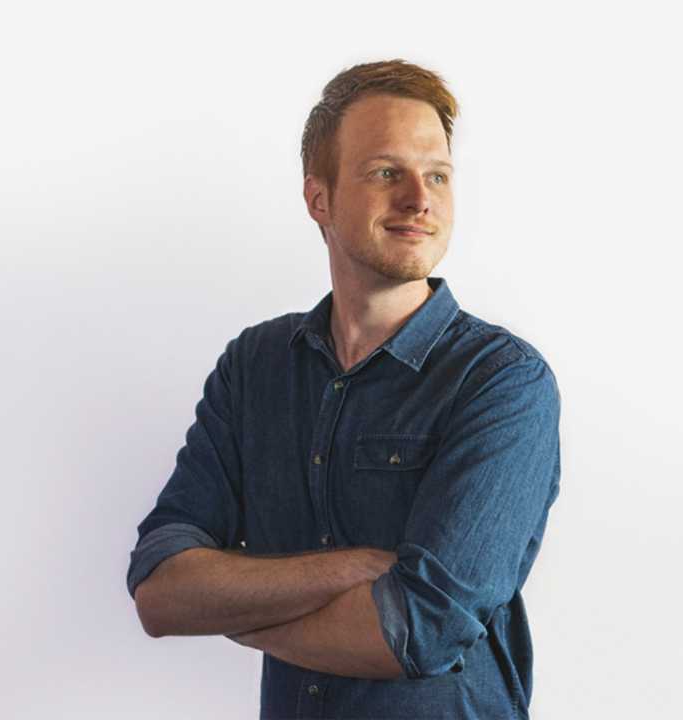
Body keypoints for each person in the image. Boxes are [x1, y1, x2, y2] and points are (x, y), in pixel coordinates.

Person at [126, 58, 562, 719]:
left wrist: (235, 616)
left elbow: (418, 631)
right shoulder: (255, 367)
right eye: (387, 172)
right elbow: (160, 590)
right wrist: (349, 569)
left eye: (437, 175)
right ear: (319, 197)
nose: (420, 199)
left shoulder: (503, 383)